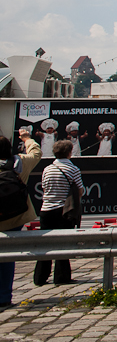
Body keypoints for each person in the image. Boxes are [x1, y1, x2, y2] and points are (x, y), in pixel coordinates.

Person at [33, 140, 84, 286]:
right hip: (63, 210)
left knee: (45, 245)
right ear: (69, 152)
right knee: (63, 244)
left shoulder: (47, 169)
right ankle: (62, 276)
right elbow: (80, 190)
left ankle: (40, 277)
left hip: (46, 210)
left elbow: (44, 188)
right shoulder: (73, 169)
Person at [1, 130, 41, 308]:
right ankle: (4, 297)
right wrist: (26, 138)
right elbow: (36, 153)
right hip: (16, 216)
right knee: (8, 258)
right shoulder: (20, 162)